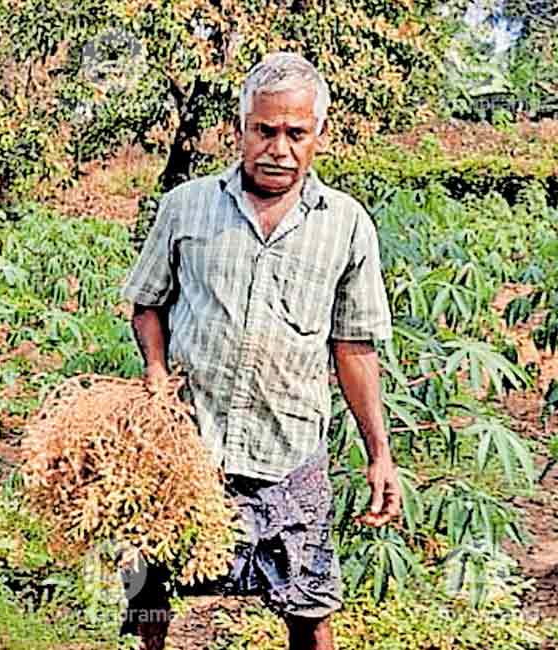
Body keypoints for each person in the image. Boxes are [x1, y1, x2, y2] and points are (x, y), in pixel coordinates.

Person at [119, 53, 401, 650]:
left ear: (318, 135)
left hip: (290, 449)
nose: (278, 148)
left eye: (295, 133)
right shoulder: (186, 206)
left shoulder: (346, 225)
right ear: (240, 128)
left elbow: (353, 347)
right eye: (264, 130)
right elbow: (147, 302)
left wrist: (380, 453)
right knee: (149, 586)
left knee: (310, 606)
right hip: (187, 444)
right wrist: (154, 372)